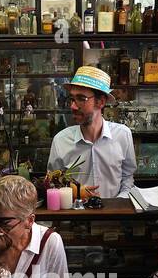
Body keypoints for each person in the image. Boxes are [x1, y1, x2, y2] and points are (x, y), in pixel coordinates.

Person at [47, 65, 136, 198]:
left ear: (100, 102)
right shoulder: (61, 140)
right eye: (72, 98)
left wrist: (116, 205)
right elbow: (51, 183)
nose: (73, 106)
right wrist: (75, 193)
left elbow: (127, 178)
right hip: (75, 216)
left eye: (81, 99)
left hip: (114, 215)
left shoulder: (122, 135)